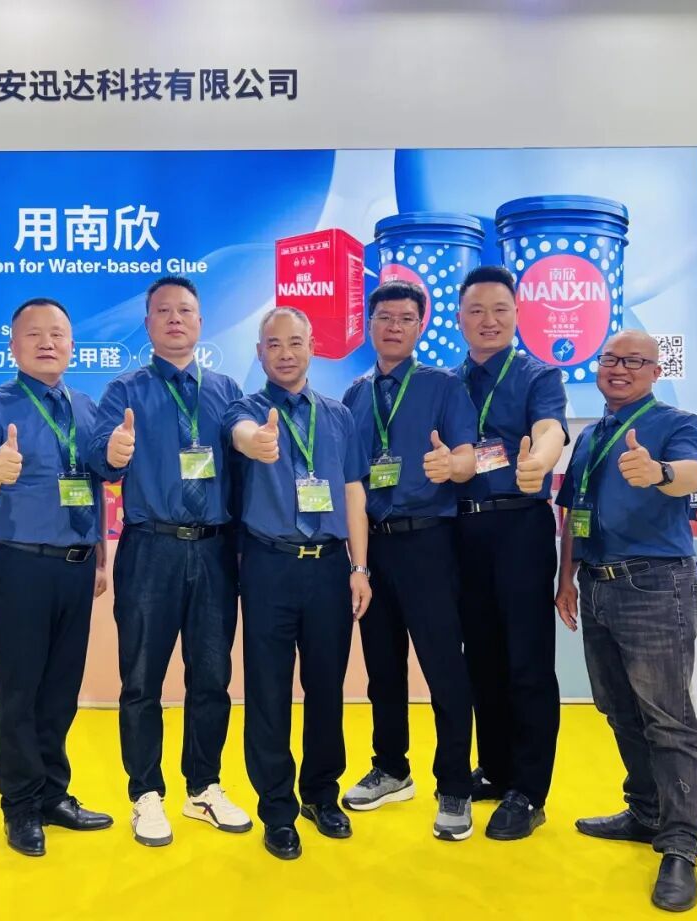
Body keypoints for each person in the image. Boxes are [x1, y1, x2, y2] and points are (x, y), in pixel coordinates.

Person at [89, 276, 250, 847]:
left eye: (185, 310)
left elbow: (245, 451)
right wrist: (113, 452)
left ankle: (203, 787)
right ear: (149, 323)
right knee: (141, 679)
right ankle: (145, 793)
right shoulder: (124, 390)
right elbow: (100, 457)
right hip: (149, 549)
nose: (175, 319)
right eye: (163, 311)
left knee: (212, 676)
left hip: (214, 549)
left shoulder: (228, 390)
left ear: (201, 323)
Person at [555, 330, 697, 913]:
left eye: (635, 361)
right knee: (619, 709)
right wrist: (565, 578)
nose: (620, 369)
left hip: (654, 584)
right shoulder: (590, 436)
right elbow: (572, 513)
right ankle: (645, 811)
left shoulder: (676, 423)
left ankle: (681, 845)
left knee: (668, 720)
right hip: (595, 584)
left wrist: (659, 472)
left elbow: (692, 474)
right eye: (611, 359)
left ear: (654, 370)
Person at [0, 297, 113, 858]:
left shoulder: (87, 408)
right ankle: (20, 807)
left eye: (58, 334)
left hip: (76, 568)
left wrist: (99, 558)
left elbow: (95, 483)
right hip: (20, 565)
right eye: (34, 334)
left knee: (60, 691)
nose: (47, 343)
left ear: (72, 344)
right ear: (13, 345)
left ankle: (53, 794)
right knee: (20, 693)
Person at [224, 306, 371, 860]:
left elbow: (353, 490)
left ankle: (321, 795)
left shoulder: (338, 415)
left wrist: (359, 567)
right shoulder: (246, 409)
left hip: (330, 566)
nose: (285, 353)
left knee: (326, 686)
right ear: (259, 353)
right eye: (273, 344)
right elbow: (240, 435)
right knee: (267, 690)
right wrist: (256, 442)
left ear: (312, 346)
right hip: (269, 565)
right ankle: (277, 809)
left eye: (295, 342)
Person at [340, 281, 478, 841]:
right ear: (369, 325)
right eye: (384, 317)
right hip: (372, 546)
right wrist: (357, 560)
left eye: (404, 318)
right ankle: (392, 769)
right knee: (382, 668)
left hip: (429, 543)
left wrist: (455, 465)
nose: (393, 326)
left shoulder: (443, 386)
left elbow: (468, 453)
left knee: (445, 669)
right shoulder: (353, 395)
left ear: (421, 326)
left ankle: (454, 785)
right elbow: (348, 479)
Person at [453, 265, 567, 839]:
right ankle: (496, 770)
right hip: (461, 533)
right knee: (481, 660)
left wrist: (539, 460)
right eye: (476, 310)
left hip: (520, 527)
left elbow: (550, 430)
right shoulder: (447, 382)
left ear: (517, 314)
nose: (488, 320)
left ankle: (529, 789)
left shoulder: (537, 375)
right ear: (459, 319)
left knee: (527, 662)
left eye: (500, 309)